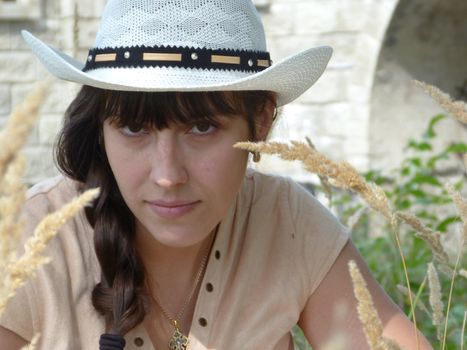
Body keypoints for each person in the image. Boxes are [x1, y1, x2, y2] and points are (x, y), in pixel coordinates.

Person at [0, 0, 433, 349]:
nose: (168, 175)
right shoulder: (28, 240)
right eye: (135, 129)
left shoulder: (288, 223)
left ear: (260, 122)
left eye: (202, 127)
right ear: (100, 127)